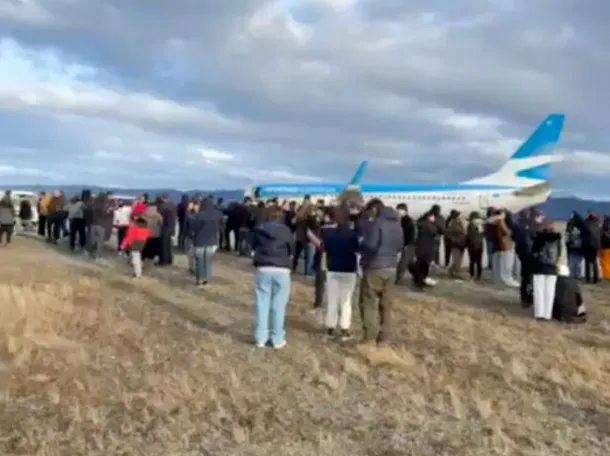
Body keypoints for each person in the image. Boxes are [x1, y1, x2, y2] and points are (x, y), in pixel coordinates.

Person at [359, 201, 402, 346]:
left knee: (368, 301)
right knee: (386, 304)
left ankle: (369, 337)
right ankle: (384, 338)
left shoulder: (376, 224)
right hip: (391, 267)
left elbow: (370, 245)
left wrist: (362, 243)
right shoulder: (397, 225)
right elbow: (400, 245)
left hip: (375, 266)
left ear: (375, 208)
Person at [251, 205, 293, 349]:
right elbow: (291, 248)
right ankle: (277, 338)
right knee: (278, 306)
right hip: (282, 269)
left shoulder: (260, 229)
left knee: (262, 304)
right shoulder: (286, 230)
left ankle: (260, 337)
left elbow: (254, 246)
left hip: (263, 267)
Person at [321, 208, 360, 341]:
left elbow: (324, 249)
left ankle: (330, 327)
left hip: (333, 269)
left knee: (332, 300)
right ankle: (345, 328)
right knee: (346, 301)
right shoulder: (353, 236)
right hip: (349, 270)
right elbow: (357, 251)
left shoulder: (329, 235)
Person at [530, 222, 562, 320]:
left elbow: (533, 252)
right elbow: (559, 254)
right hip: (552, 268)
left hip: (540, 267)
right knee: (550, 292)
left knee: (539, 291)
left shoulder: (539, 238)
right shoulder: (558, 239)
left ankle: (539, 313)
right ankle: (548, 314)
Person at [190, 197, 223, 286]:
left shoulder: (199, 215)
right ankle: (207, 278)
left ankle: (199, 279)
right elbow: (221, 227)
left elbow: (194, 228)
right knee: (208, 261)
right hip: (212, 241)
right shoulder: (218, 214)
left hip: (200, 241)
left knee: (199, 261)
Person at [465, 211, 484, 281]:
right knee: (476, 261)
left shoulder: (474, 225)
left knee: (475, 261)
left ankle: (475, 275)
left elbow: (471, 235)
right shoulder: (474, 225)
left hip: (475, 246)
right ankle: (475, 275)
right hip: (476, 246)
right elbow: (478, 235)